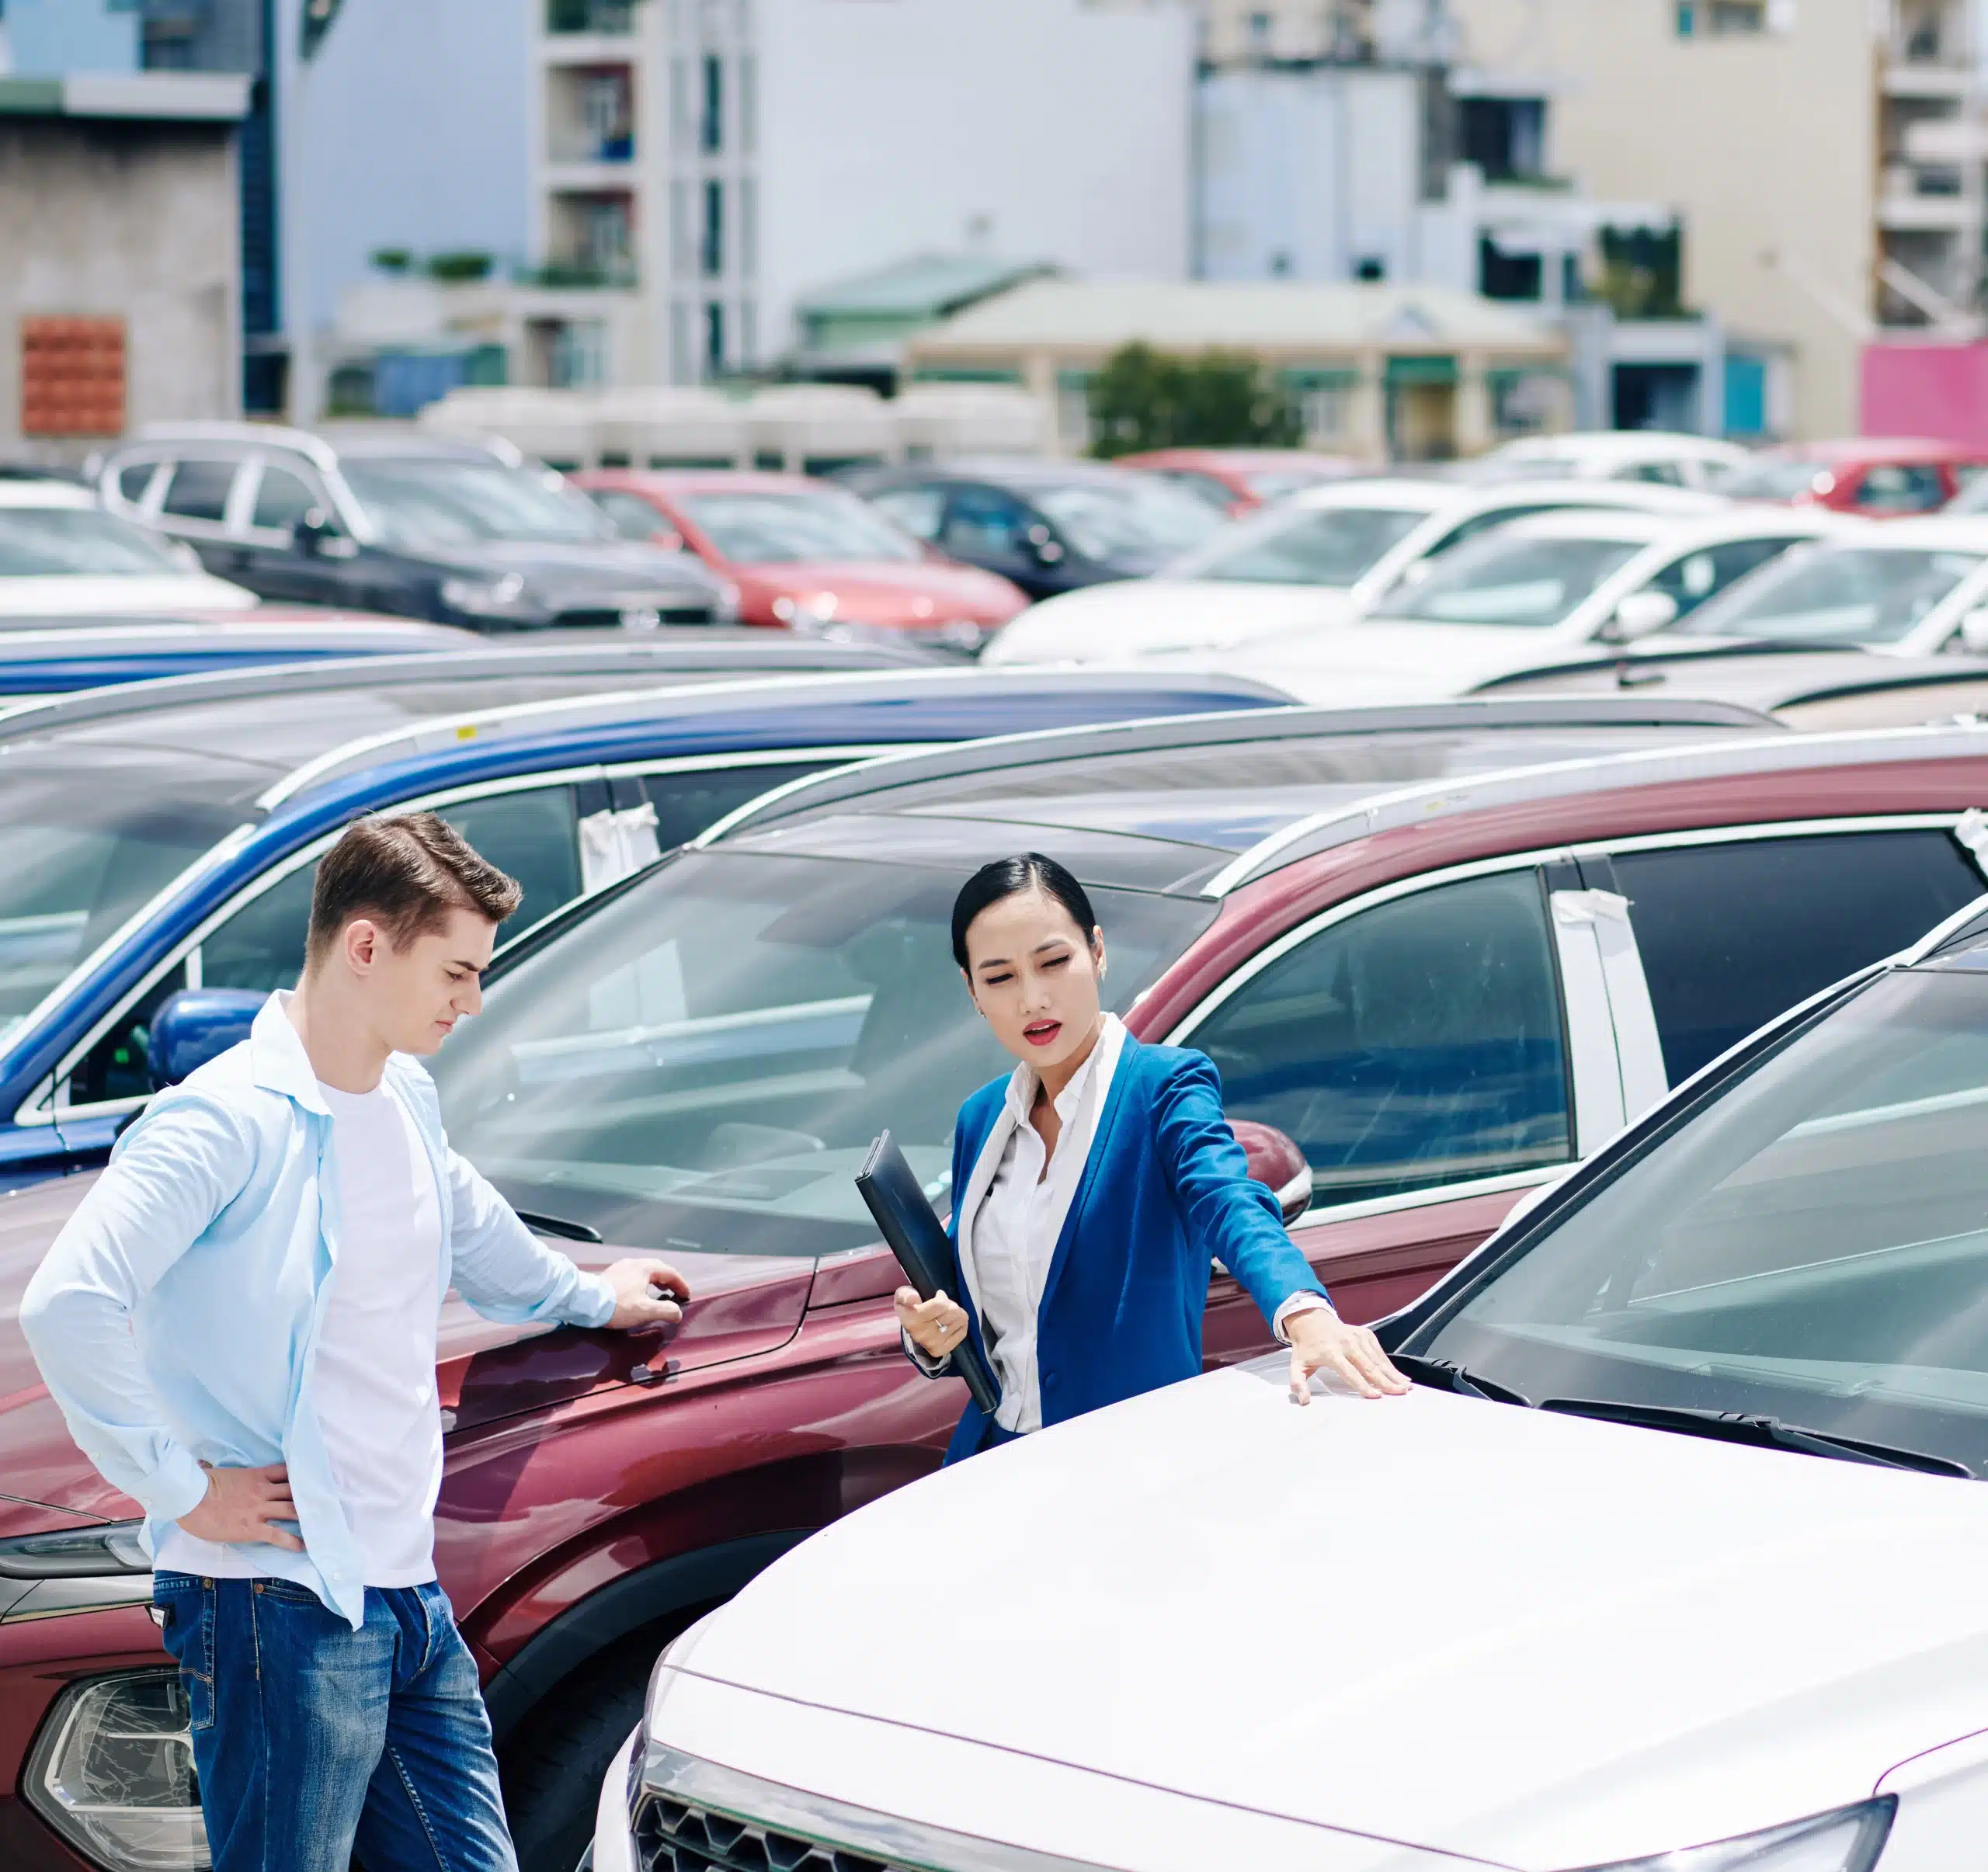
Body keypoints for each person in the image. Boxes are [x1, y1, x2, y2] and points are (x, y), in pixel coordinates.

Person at [20, 814, 690, 1872]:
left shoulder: (403, 1094)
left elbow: (476, 1234)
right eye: (457, 970)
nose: (472, 1001)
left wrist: (594, 1295)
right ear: (367, 945)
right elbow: (68, 1300)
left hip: (404, 1587)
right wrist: (180, 1485)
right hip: (273, 1600)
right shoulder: (222, 1120)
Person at [895, 852, 1409, 1462]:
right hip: (993, 1460)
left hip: (1134, 1466)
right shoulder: (982, 1119)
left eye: (1054, 961)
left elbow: (1230, 1200)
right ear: (972, 990)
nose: (1033, 998)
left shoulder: (1163, 1085)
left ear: (1097, 951)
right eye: (1000, 977)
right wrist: (927, 1336)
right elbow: (988, 1301)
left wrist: (1304, 1310)